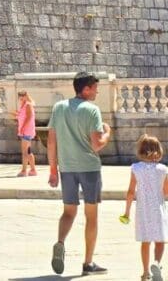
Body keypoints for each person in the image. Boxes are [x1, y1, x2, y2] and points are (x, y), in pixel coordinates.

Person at [48, 71, 112, 276]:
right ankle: (88, 262)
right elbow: (96, 145)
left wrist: (52, 170)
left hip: (66, 168)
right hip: (89, 168)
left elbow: (51, 141)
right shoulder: (92, 110)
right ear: (86, 89)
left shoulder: (59, 108)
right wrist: (108, 133)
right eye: (94, 87)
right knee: (91, 215)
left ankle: (60, 242)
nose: (97, 91)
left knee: (68, 212)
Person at [122, 135, 168, 281]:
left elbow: (130, 192)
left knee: (145, 242)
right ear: (158, 151)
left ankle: (145, 272)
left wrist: (127, 212)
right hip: (158, 210)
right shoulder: (163, 169)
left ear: (140, 151)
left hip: (143, 212)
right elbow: (166, 191)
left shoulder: (136, 168)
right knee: (160, 241)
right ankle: (157, 263)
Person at [16, 90, 38, 177]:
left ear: (26, 96)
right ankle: (33, 170)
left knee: (25, 151)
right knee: (28, 151)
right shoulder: (24, 105)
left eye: (22, 96)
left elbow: (29, 117)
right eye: (20, 96)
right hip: (26, 131)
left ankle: (24, 171)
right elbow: (23, 116)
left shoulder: (28, 104)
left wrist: (22, 128)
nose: (21, 97)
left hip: (26, 131)